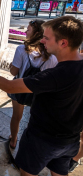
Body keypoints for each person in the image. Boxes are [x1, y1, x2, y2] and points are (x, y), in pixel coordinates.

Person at [0, 16, 83, 176]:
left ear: (63, 43)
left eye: (46, 38)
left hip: (42, 140)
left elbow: (9, 86)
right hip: (69, 141)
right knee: (59, 172)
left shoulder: (55, 76)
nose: (42, 41)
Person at [7, 20, 58, 149]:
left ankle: (13, 140)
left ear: (35, 33)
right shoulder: (52, 56)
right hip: (39, 93)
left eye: (28, 29)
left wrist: (11, 66)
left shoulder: (21, 49)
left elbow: (14, 71)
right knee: (35, 119)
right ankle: (30, 144)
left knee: (16, 116)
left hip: (19, 89)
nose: (25, 31)